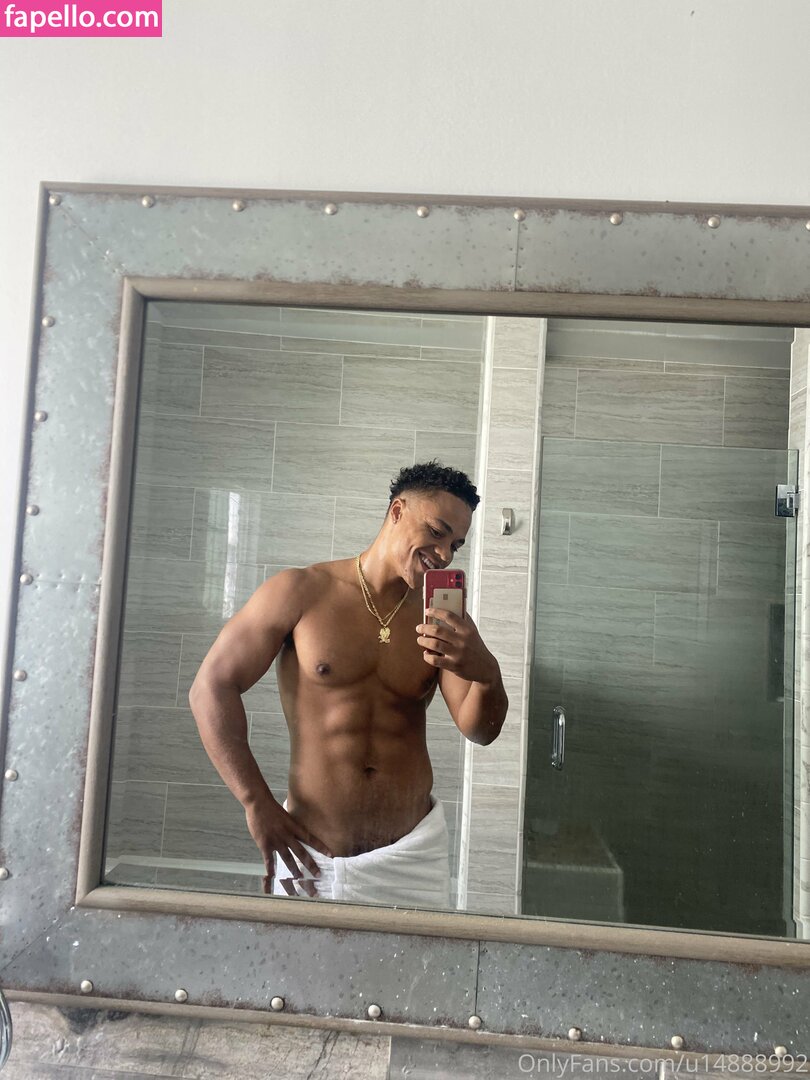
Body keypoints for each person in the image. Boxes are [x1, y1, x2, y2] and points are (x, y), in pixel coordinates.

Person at [189, 461, 508, 907]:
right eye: (437, 532)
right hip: (309, 851)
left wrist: (486, 672)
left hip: (412, 859)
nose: (445, 554)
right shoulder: (302, 590)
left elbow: (480, 730)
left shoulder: (440, 618)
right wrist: (255, 802)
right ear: (397, 511)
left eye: (455, 544)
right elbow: (211, 686)